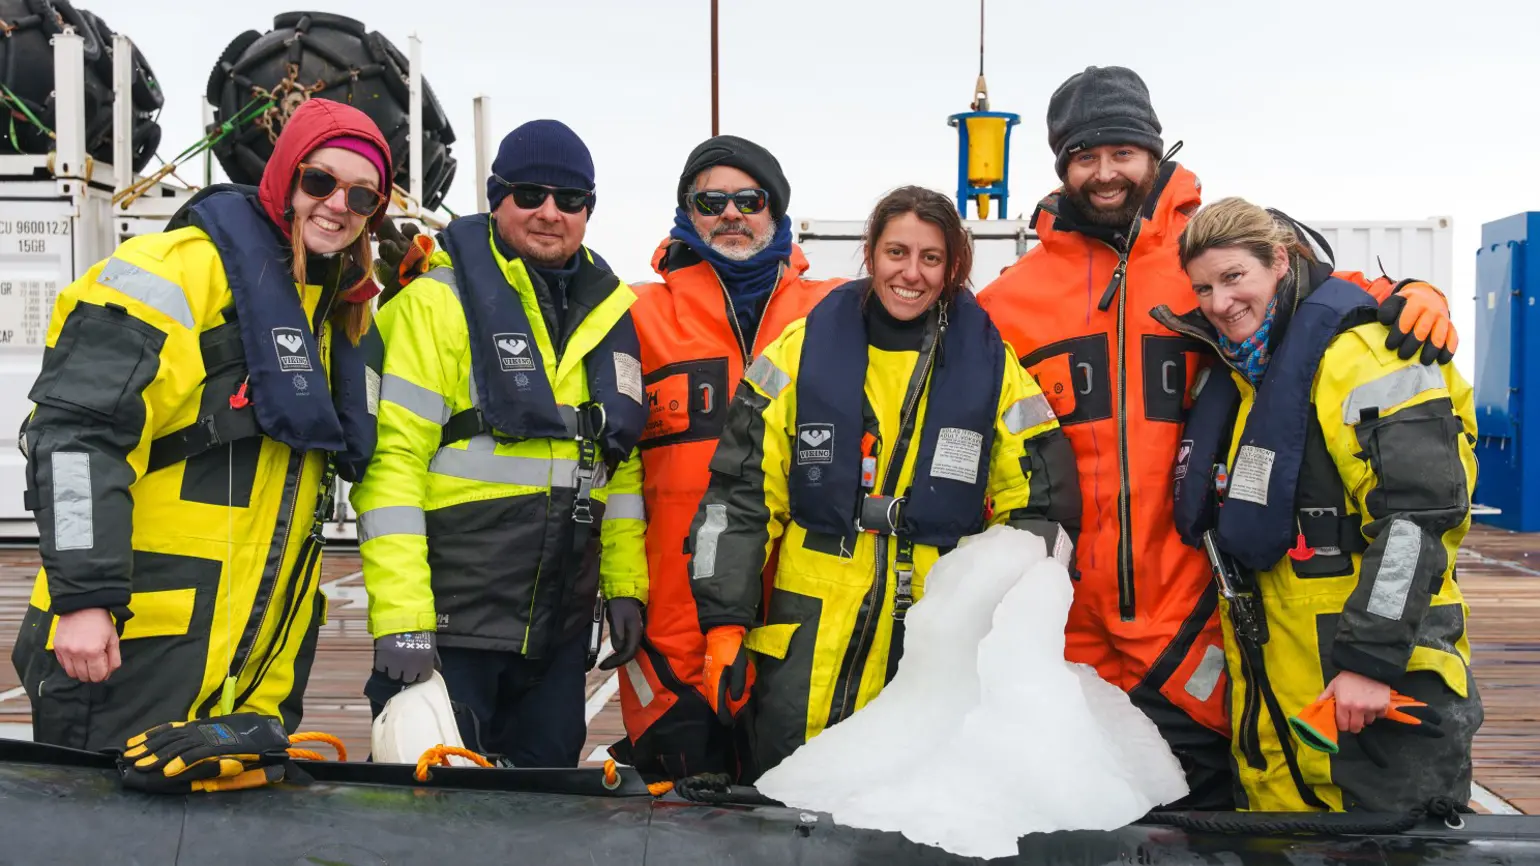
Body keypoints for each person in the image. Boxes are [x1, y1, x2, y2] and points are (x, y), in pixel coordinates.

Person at [975, 65, 1460, 808]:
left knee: (1239, 813)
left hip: (1206, 623)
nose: (1104, 173)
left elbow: (1324, 303)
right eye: (1082, 156)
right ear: (1062, 167)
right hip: (1075, 627)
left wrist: (1411, 297)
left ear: (1155, 151)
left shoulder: (1207, 260)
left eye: (1121, 151)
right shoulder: (1011, 300)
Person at [11, 97, 389, 751]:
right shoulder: (172, 273)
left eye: (361, 198)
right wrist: (84, 598)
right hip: (136, 646)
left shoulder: (334, 315)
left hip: (254, 668)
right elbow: (75, 439)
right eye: (320, 181)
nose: (337, 206)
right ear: (283, 177)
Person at [687, 185, 1081, 781]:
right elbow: (739, 495)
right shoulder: (798, 352)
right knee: (793, 790)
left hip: (935, 631)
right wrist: (724, 623)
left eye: (931, 258)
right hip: (809, 632)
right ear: (870, 254)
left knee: (914, 797)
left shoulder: (993, 366)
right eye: (897, 252)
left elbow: (1042, 506)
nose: (912, 273)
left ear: (953, 267)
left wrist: (1005, 626)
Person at [1156, 196, 1481, 812]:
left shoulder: (1364, 353)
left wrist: (1369, 662)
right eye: (1203, 289)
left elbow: (1419, 517)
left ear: (1280, 260)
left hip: (1371, 692)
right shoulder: (1244, 377)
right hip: (1282, 697)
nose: (1220, 304)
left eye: (1234, 278)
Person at [351, 119, 648, 768]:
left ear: (588, 212)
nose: (550, 213)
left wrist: (626, 587)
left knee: (541, 824)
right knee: (427, 826)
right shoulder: (433, 306)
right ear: (494, 198)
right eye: (530, 194)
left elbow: (619, 473)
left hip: (557, 640)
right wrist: (402, 617)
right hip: (451, 632)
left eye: (570, 200)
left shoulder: (608, 317)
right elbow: (390, 470)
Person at [608, 135, 843, 780]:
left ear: (776, 212)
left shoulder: (833, 313)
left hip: (798, 621)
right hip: (668, 625)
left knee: (796, 812)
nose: (731, 214)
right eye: (711, 201)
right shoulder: (630, 313)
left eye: (749, 199)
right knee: (675, 813)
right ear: (687, 212)